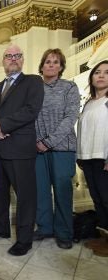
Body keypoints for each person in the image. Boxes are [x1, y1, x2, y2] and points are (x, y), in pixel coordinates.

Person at [0, 44, 44, 256]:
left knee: (25, 195)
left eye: (17, 55)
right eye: (8, 56)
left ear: (22, 59)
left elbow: (31, 111)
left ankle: (24, 240)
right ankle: (0, 227)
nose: (13, 59)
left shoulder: (33, 82)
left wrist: (3, 126)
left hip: (20, 147)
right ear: (3, 61)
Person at [33, 48, 80, 249]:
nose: (51, 65)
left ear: (61, 67)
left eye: (55, 62)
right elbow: (30, 116)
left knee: (62, 190)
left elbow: (70, 118)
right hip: (37, 149)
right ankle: (44, 228)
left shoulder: (70, 87)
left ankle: (64, 232)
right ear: (42, 66)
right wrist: (37, 142)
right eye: (47, 61)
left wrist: (48, 142)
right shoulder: (34, 88)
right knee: (41, 191)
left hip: (62, 147)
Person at [77, 60, 108, 256]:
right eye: (97, 72)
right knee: (97, 199)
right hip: (88, 157)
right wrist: (80, 155)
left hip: (103, 158)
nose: (101, 75)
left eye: (106, 72)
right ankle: (104, 238)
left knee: (107, 199)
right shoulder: (88, 102)